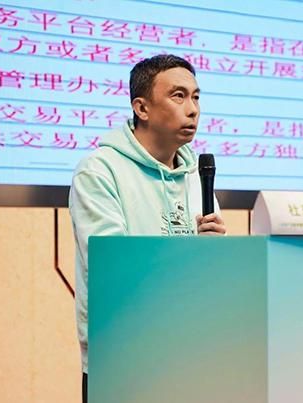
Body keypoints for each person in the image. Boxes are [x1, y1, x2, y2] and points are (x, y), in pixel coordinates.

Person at [69, 54, 226, 403]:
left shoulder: (197, 177)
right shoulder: (100, 172)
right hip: (125, 360)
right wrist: (189, 255)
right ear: (141, 108)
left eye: (196, 97)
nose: (193, 109)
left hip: (192, 355)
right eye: (178, 96)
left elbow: (207, 277)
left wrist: (217, 253)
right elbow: (113, 268)